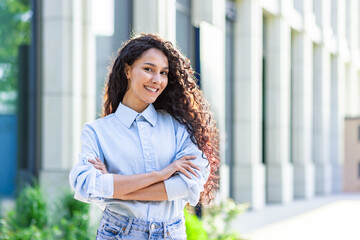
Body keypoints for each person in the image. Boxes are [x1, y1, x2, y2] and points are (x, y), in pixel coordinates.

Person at [69, 33, 219, 240]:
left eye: (163, 72)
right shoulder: (97, 132)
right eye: (148, 69)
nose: (157, 80)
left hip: (171, 233)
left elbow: (186, 185)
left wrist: (114, 188)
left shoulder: (178, 127)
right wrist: (161, 175)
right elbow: (86, 184)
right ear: (128, 70)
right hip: (118, 233)